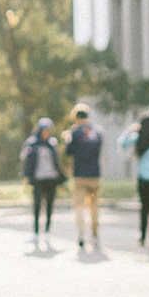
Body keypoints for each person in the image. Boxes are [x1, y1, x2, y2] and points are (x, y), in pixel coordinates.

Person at [118, 115, 149, 247]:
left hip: (143, 177)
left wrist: (130, 130)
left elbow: (122, 144)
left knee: (144, 207)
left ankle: (143, 236)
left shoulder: (138, 137)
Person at [63, 103, 103, 250]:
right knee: (93, 206)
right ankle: (95, 234)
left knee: (79, 206)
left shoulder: (75, 132)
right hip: (94, 174)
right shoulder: (98, 132)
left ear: (76, 118)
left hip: (80, 175)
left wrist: (67, 138)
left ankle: (81, 234)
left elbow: (69, 152)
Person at [20, 119, 65, 245]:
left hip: (51, 178)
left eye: (48, 131)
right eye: (44, 130)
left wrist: (61, 178)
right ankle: (35, 233)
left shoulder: (52, 143)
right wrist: (27, 176)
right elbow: (26, 160)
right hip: (38, 179)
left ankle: (47, 232)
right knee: (37, 206)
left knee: (50, 206)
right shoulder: (32, 143)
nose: (46, 133)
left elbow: (57, 162)